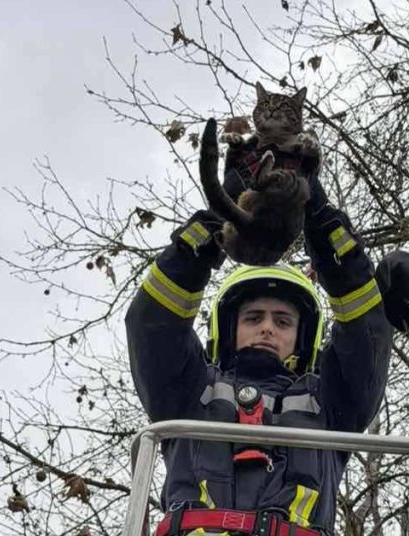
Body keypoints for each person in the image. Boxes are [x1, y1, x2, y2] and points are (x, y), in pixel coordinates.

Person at [125, 121, 392, 536]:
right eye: (253, 317)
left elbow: (367, 331)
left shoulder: (332, 402)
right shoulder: (188, 389)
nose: (268, 328)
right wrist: (221, 215)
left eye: (283, 320)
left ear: (303, 336)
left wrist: (318, 218)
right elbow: (152, 323)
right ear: (226, 327)